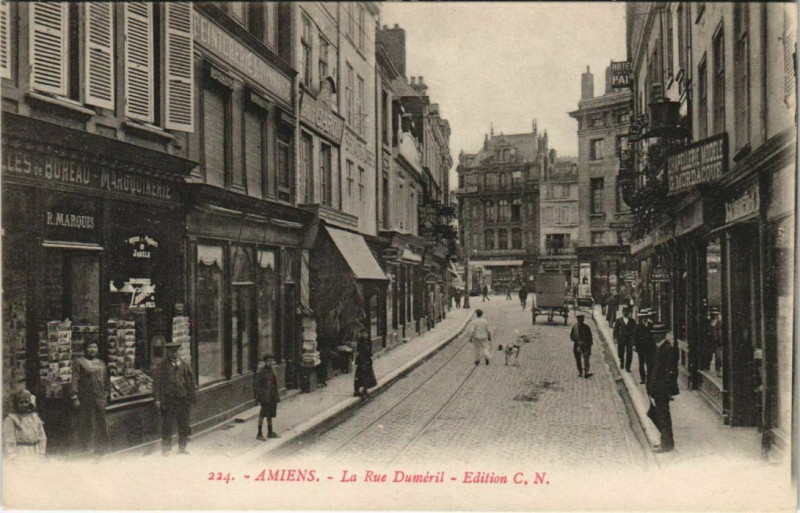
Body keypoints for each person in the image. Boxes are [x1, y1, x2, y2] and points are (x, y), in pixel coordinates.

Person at [154, 340, 196, 455]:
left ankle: (182, 447)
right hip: (169, 400)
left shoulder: (184, 365)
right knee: (167, 425)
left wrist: (192, 397)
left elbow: (191, 382)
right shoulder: (161, 366)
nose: (173, 354)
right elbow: (156, 383)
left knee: (183, 424)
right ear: (167, 353)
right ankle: (166, 449)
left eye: (175, 352)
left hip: (183, 399)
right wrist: (157, 399)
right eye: (170, 352)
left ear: (178, 352)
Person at [70, 341, 109, 456]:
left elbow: (106, 379)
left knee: (101, 423)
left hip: (100, 397)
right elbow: (75, 379)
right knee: (88, 423)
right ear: (85, 349)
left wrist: (106, 392)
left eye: (94, 347)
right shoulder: (79, 362)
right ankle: (87, 450)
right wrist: (74, 396)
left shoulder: (102, 363)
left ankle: (101, 449)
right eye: (90, 347)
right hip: (86, 398)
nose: (92, 349)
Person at [647, 332, 677, 453]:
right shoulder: (659, 347)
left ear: (662, 335)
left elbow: (670, 372)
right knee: (660, 415)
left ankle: (666, 444)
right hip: (657, 389)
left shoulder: (667, 349)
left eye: (657, 334)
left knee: (663, 416)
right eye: (654, 334)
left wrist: (669, 391)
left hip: (662, 390)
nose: (655, 336)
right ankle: (665, 441)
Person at [3, 389, 47, 462]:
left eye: (26, 402)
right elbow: (9, 438)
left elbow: (42, 436)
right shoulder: (11, 419)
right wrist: (12, 454)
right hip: (20, 452)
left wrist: (41, 452)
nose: (24, 405)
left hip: (35, 451)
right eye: (21, 402)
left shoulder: (35, 417)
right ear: (16, 403)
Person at [254, 354, 280, 440]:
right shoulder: (262, 372)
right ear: (265, 362)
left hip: (272, 396)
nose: (270, 363)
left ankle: (270, 432)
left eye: (271, 361)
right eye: (268, 361)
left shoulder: (272, 371)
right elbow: (257, 386)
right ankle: (259, 433)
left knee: (270, 414)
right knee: (262, 414)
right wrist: (261, 396)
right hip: (265, 397)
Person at [354, 326, 377, 398]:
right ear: (362, 334)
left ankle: (362, 391)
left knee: (363, 377)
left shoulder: (363, 340)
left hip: (364, 361)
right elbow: (363, 352)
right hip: (363, 361)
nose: (366, 335)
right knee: (364, 376)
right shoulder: (362, 341)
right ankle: (361, 391)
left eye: (367, 334)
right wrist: (369, 354)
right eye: (365, 333)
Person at [634, 310, 657, 384]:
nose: (644, 318)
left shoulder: (651, 325)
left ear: (647, 317)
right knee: (641, 363)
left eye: (645, 317)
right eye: (642, 317)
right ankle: (643, 378)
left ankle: (649, 377)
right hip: (641, 347)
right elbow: (635, 337)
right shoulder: (638, 326)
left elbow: (654, 336)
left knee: (649, 362)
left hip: (650, 347)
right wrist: (634, 345)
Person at [613, 306, 637, 372]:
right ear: (622, 312)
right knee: (620, 352)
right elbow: (615, 330)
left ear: (629, 313)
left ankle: (628, 367)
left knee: (629, 353)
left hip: (629, 339)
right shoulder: (618, 320)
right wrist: (615, 338)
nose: (625, 313)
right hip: (621, 339)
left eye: (626, 312)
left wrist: (634, 341)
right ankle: (622, 362)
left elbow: (634, 331)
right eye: (624, 312)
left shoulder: (632, 321)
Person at [570, 314, 593, 378]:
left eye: (581, 319)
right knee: (578, 359)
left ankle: (586, 372)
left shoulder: (587, 327)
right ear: (577, 319)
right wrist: (577, 341)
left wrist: (589, 345)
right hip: (577, 345)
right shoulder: (575, 327)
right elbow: (571, 336)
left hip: (585, 345)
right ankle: (580, 371)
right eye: (579, 319)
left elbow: (590, 337)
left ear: (583, 320)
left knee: (586, 359)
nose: (580, 320)